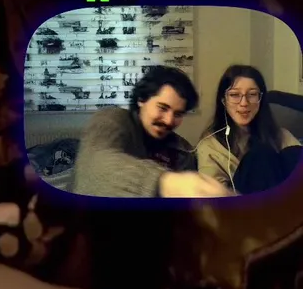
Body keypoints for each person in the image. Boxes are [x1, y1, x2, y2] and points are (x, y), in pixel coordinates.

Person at [72, 65, 231, 198]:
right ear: (141, 99)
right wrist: (167, 183)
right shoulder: (111, 119)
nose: (169, 120)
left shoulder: (183, 151)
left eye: (178, 114)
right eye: (162, 108)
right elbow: (94, 164)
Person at [196, 64, 302, 195]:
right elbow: (212, 196)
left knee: (293, 152)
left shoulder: (280, 135)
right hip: (243, 203)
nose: (244, 103)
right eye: (235, 95)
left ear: (260, 99)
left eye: (252, 94)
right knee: (260, 155)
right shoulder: (209, 146)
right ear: (224, 100)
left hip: (288, 198)